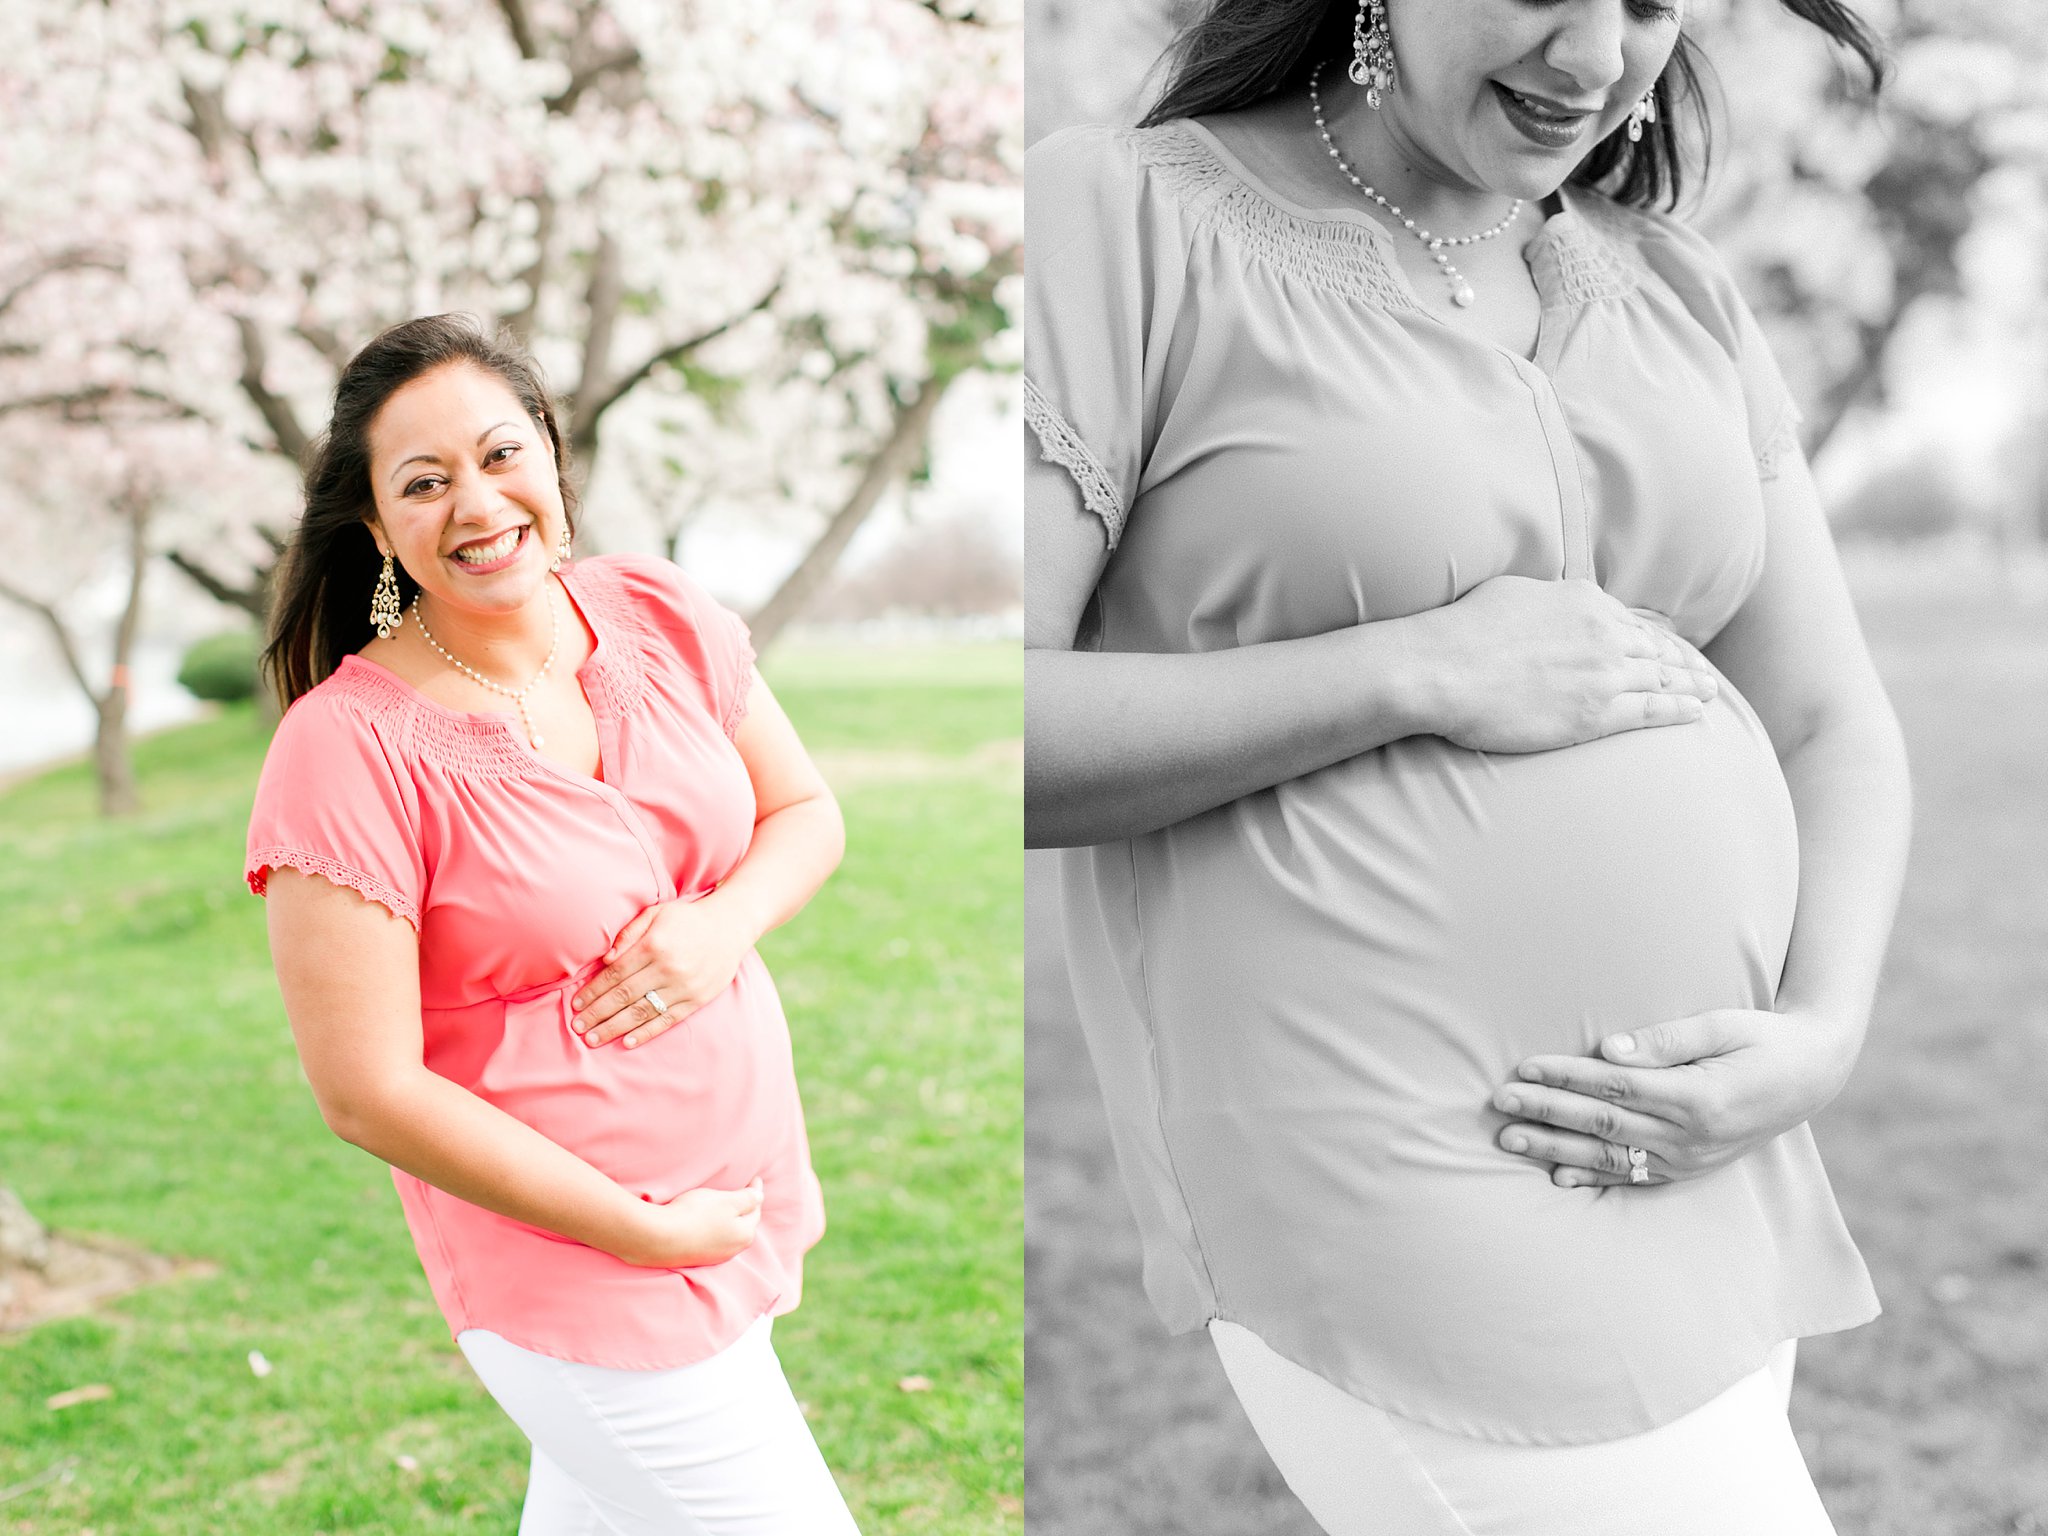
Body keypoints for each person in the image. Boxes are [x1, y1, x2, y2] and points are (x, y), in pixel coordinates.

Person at [1024, 0, 1910, 1530]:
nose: (1590, 59)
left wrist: (1821, 1030)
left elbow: (1834, 716)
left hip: (1706, 1161)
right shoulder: (1119, 219)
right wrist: (1413, 669)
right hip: (1389, 1156)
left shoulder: (1667, 285)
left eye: (1645, 3)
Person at [245, 314, 861, 1534]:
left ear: (551, 454)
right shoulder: (343, 749)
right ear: (375, 528)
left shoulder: (656, 613)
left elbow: (804, 812)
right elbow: (365, 1091)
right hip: (578, 1274)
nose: (475, 504)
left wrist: (718, 928)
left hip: (719, 1208)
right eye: (422, 484)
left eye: (498, 454)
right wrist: (637, 1230)